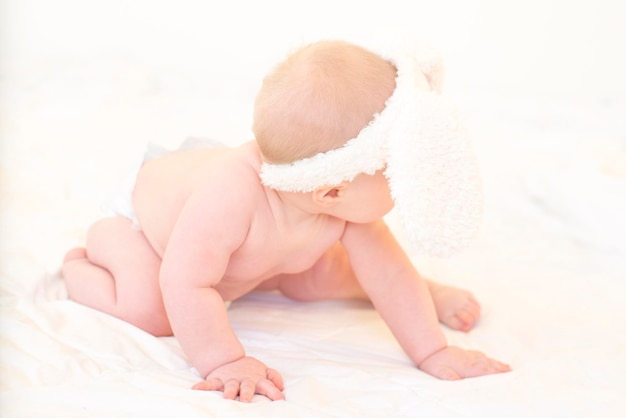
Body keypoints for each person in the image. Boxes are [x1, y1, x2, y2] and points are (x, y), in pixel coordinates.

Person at [61, 40, 511, 403]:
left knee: (316, 277)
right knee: (152, 308)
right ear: (331, 190)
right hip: (142, 229)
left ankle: (427, 291)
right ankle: (80, 266)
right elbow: (185, 282)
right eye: (394, 171)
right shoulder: (227, 196)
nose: (404, 182)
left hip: (242, 257)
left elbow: (391, 275)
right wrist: (224, 361)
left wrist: (434, 351)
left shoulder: (332, 200)